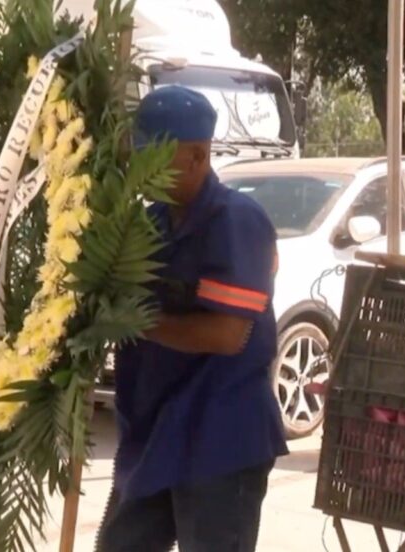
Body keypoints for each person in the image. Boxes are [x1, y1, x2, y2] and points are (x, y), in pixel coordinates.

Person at [96, 85, 289, 552]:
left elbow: (228, 334)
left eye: (155, 158)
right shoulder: (150, 224)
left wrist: (136, 322)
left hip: (220, 437)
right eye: (138, 156)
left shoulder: (236, 221)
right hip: (158, 434)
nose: (142, 169)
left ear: (198, 157)